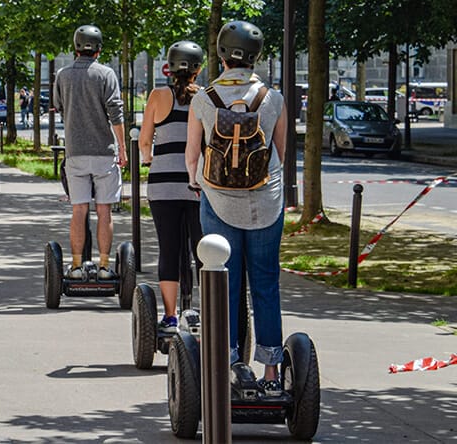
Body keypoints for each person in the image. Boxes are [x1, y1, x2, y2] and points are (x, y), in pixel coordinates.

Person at [185, 20, 288, 396]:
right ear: (257, 56)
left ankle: (226, 364)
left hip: (218, 201)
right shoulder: (272, 98)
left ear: (221, 53)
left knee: (221, 284)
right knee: (265, 283)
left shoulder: (204, 99)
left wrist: (199, 184)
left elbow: (192, 159)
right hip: (266, 203)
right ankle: (273, 373)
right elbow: (279, 152)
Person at [139, 40, 206, 333]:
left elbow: (144, 140)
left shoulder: (157, 95)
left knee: (168, 248)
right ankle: (206, 313)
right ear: (198, 69)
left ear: (169, 66)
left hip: (163, 185)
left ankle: (169, 317)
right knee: (202, 249)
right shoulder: (205, 97)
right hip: (196, 185)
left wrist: (147, 157)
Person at [52, 25, 127, 280]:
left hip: (75, 152)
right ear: (98, 49)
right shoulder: (106, 74)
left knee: (79, 209)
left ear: (75, 48)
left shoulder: (63, 75)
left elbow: (59, 106)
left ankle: (75, 266)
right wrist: (123, 148)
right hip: (104, 152)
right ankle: (105, 266)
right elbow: (116, 113)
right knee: (104, 210)